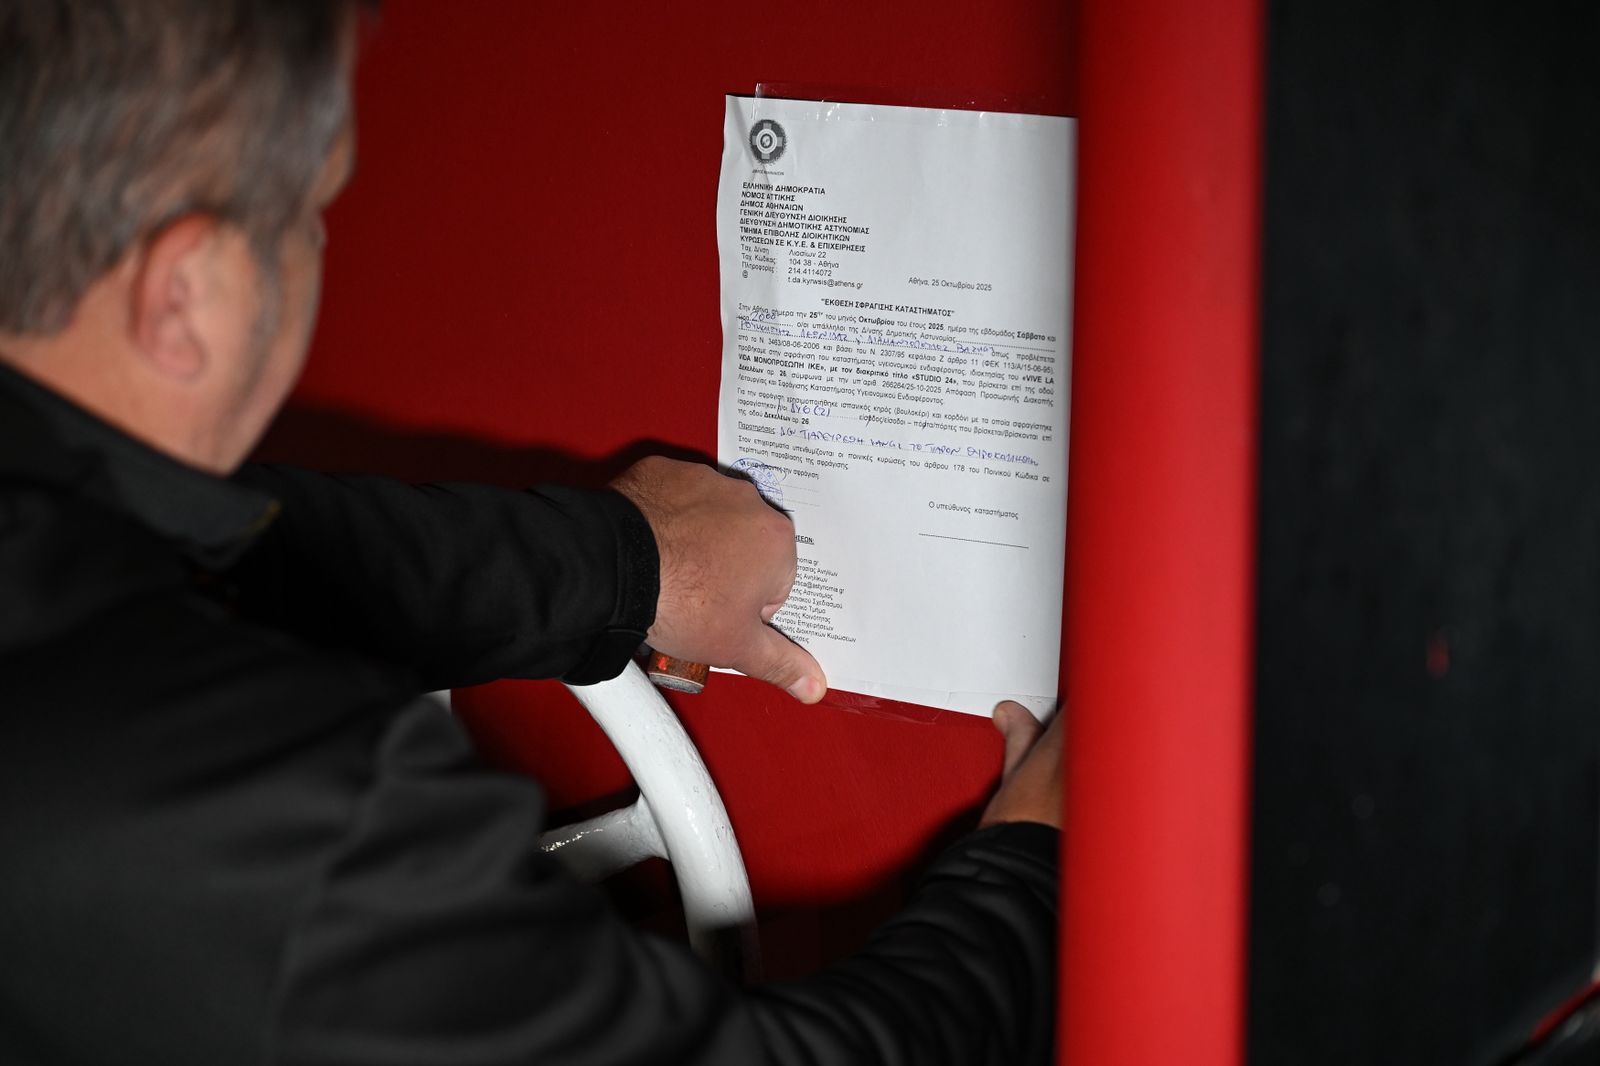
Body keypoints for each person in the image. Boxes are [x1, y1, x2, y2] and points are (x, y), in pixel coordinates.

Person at [0, 3, 1063, 1064]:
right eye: (308, 215)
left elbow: (280, 551)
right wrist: (1034, 861)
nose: (317, 249)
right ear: (181, 302)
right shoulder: (271, 815)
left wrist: (626, 564)